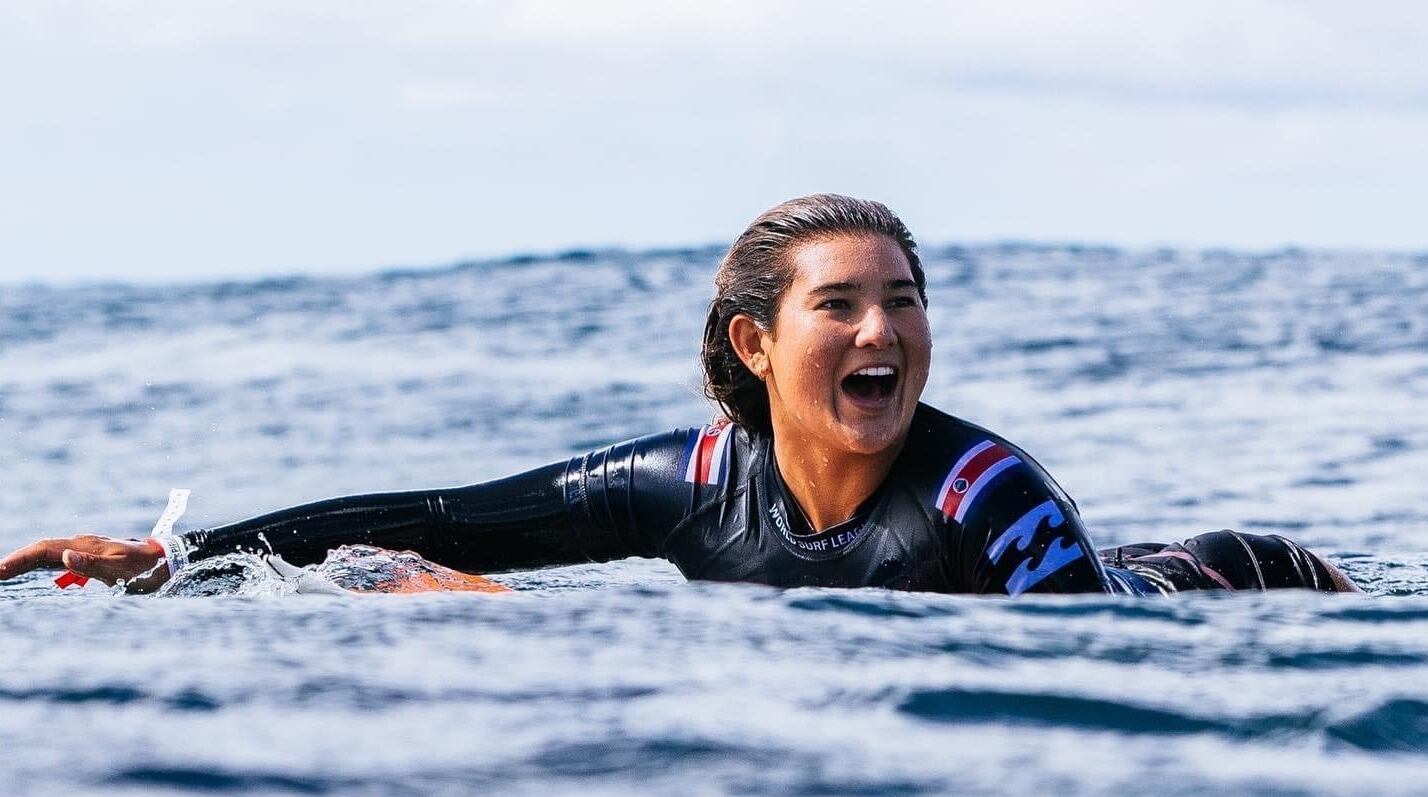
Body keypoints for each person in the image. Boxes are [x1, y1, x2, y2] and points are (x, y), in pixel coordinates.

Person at [0, 195, 1358, 596]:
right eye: (843, 303)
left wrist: (507, 629)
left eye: (905, 297)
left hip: (1239, 580)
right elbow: (444, 513)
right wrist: (176, 558)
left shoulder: (988, 498)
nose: (885, 328)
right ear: (756, 344)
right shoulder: (702, 481)